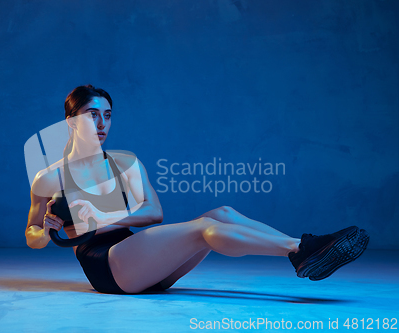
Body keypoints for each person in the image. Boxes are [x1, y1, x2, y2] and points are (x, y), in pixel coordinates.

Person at [25, 84, 370, 294]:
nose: (101, 124)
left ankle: (302, 249)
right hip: (110, 268)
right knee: (205, 228)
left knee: (222, 214)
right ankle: (300, 249)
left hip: (140, 257)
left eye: (108, 115)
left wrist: (99, 219)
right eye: (91, 115)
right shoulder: (49, 178)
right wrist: (46, 231)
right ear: (71, 121)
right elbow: (33, 235)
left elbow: (153, 213)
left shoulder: (126, 163)